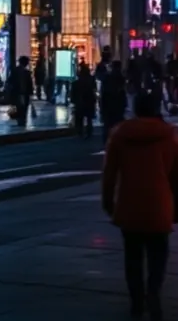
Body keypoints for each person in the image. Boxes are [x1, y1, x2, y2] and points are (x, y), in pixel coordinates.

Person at [102, 91, 178, 320]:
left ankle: (136, 301)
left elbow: (109, 174)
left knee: (132, 256)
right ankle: (153, 294)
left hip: (129, 203)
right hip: (159, 204)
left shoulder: (120, 134)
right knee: (158, 256)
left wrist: (108, 202)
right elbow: (176, 176)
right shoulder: (168, 136)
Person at [101, 60, 128, 145]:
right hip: (116, 105)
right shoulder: (120, 78)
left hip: (110, 105)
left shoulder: (108, 78)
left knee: (109, 125)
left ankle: (108, 142)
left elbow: (104, 94)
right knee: (115, 125)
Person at [71, 62, 97, 139]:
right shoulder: (91, 80)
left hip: (80, 101)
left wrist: (73, 100)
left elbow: (73, 93)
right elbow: (94, 89)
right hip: (89, 101)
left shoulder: (76, 83)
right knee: (89, 118)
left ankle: (80, 132)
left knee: (80, 117)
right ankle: (89, 132)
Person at [7, 56, 34, 127]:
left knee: (19, 107)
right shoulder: (27, 73)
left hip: (17, 93)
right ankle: (22, 120)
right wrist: (31, 93)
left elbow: (9, 81)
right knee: (24, 108)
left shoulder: (15, 71)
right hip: (24, 94)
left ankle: (20, 120)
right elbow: (29, 84)